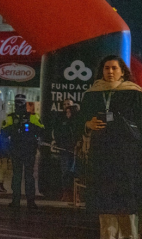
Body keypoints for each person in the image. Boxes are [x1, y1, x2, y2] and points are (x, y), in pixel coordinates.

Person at [78, 55, 142, 239]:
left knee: (126, 204)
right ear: (102, 71)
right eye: (107, 68)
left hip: (127, 158)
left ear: (123, 71)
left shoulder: (134, 94)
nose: (110, 72)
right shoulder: (92, 94)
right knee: (105, 206)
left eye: (114, 68)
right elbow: (79, 120)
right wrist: (87, 124)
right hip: (101, 158)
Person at [3, 94, 43, 209]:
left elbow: (4, 133)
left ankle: (20, 201)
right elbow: (42, 130)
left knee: (20, 175)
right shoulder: (31, 117)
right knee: (26, 175)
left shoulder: (13, 117)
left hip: (21, 150)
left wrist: (27, 127)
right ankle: (27, 201)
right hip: (25, 150)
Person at [52, 104, 78, 202]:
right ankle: (66, 193)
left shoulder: (75, 122)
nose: (67, 114)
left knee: (75, 172)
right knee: (65, 172)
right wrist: (60, 144)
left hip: (75, 150)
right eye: (66, 112)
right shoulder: (62, 121)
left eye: (69, 112)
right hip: (64, 150)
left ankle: (75, 194)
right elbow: (58, 133)